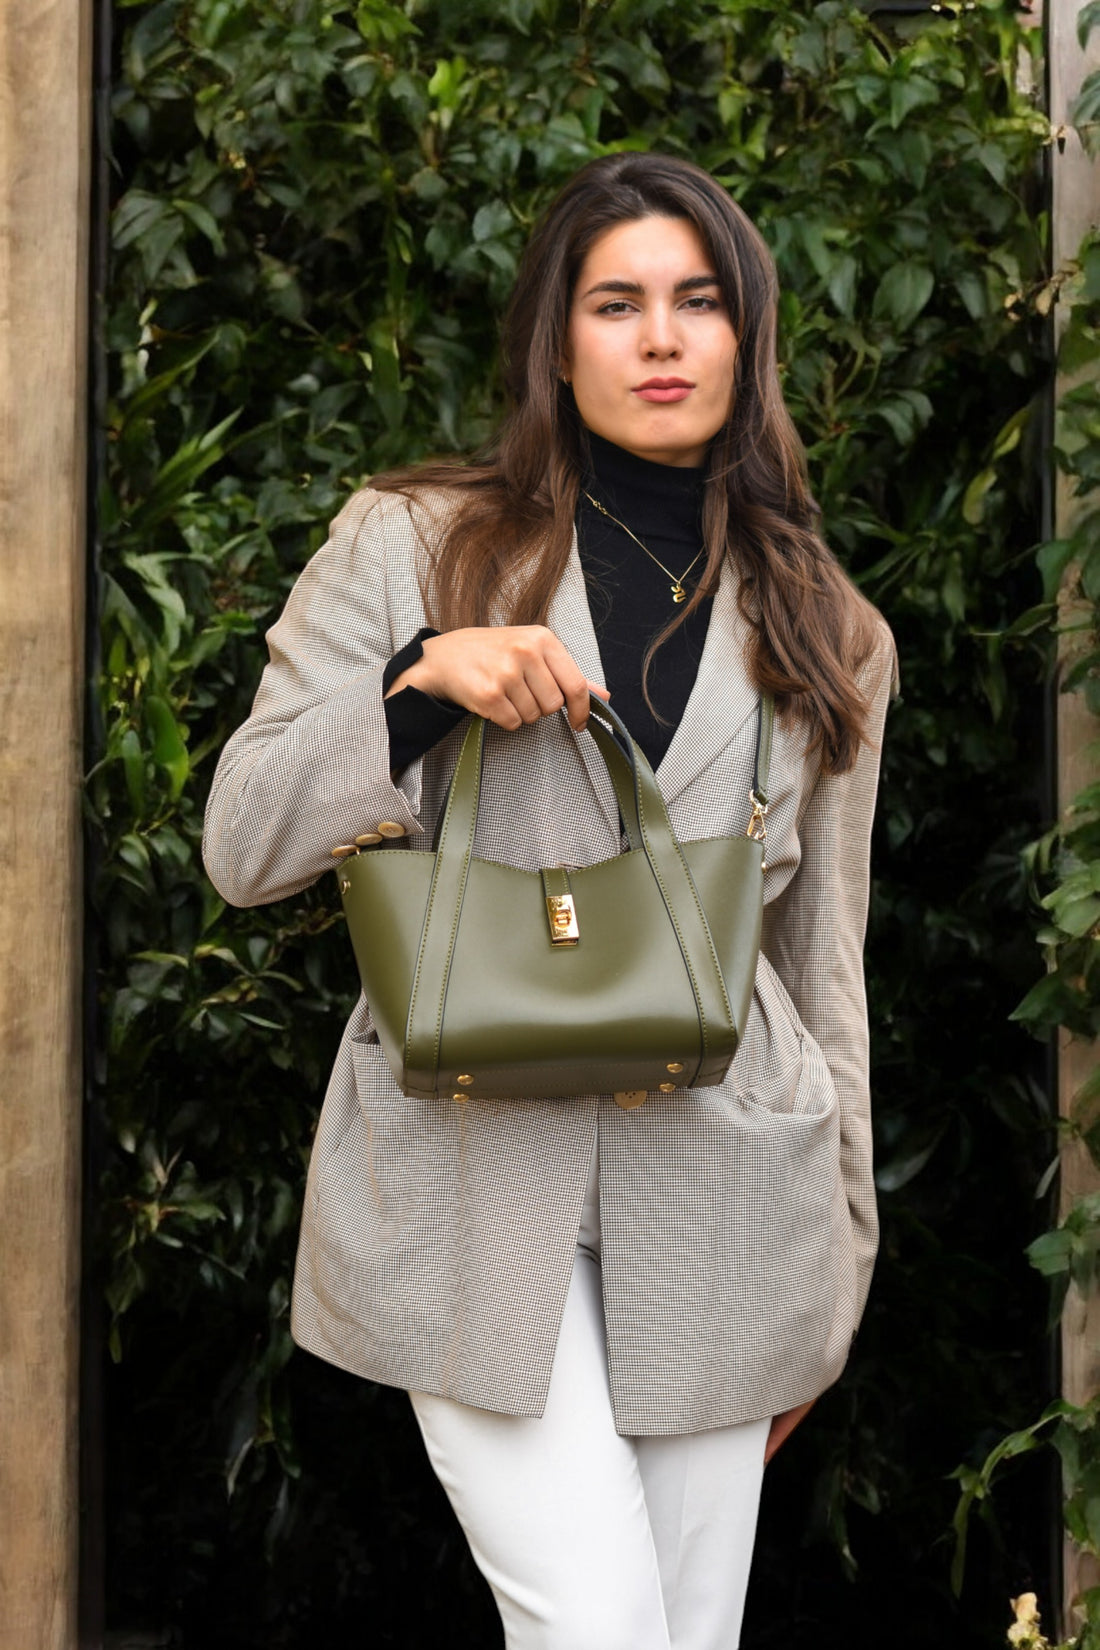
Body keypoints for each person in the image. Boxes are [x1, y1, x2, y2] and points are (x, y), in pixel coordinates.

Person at [202, 151, 896, 1650]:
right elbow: (243, 840)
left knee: (684, 1633)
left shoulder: (827, 623)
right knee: (597, 1624)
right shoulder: (414, 543)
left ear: (746, 335)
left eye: (697, 302)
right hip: (469, 1172)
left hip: (731, 1188)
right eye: (618, 302)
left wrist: (836, 1276)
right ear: (557, 339)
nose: (660, 338)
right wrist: (415, 688)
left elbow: (821, 962)